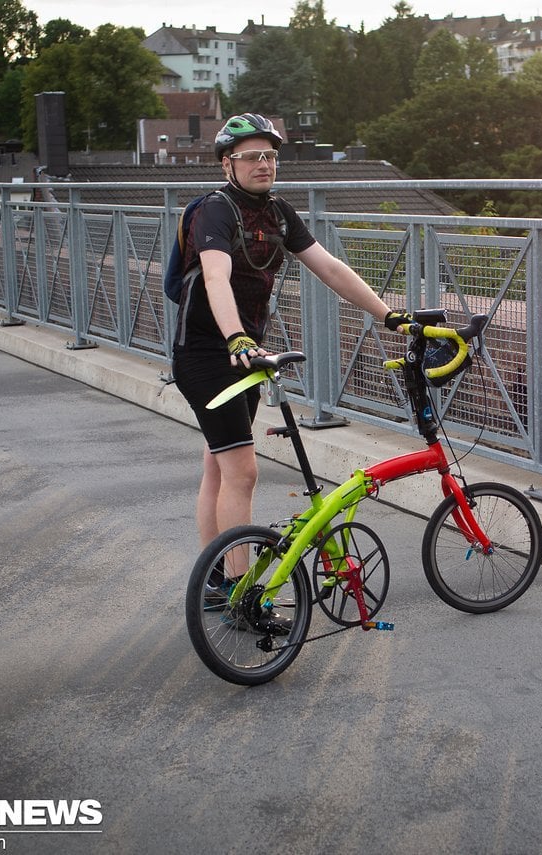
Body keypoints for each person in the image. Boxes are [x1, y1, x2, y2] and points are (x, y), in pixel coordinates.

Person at [171, 113, 409, 585]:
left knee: (219, 470)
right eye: (251, 157)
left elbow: (332, 269)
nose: (264, 164)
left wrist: (389, 316)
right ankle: (240, 593)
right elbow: (216, 277)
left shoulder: (278, 211)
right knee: (241, 473)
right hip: (205, 353)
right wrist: (235, 335)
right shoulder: (215, 211)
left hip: (247, 355)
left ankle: (215, 582)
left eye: (270, 156)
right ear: (227, 164)